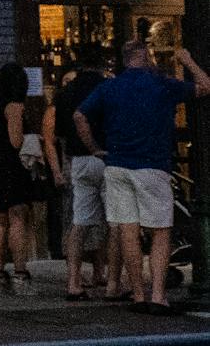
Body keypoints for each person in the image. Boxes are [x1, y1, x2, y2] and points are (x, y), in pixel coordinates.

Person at [79, 38, 210, 314]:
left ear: (125, 60)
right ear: (147, 57)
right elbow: (205, 86)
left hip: (116, 165)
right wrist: (187, 61)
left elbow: (80, 116)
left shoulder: (109, 86)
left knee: (128, 230)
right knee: (160, 230)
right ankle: (158, 294)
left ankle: (138, 293)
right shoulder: (161, 84)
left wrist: (94, 149)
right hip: (152, 164)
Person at [46, 49, 109, 301]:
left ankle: (73, 281)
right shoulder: (108, 88)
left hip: (77, 160)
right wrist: (96, 146)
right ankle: (110, 279)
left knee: (78, 220)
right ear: (102, 66)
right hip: (106, 156)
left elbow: (59, 134)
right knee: (115, 221)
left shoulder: (64, 95)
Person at [0, 57, 33, 289]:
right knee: (18, 217)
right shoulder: (14, 106)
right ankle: (20, 273)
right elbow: (16, 140)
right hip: (13, 165)